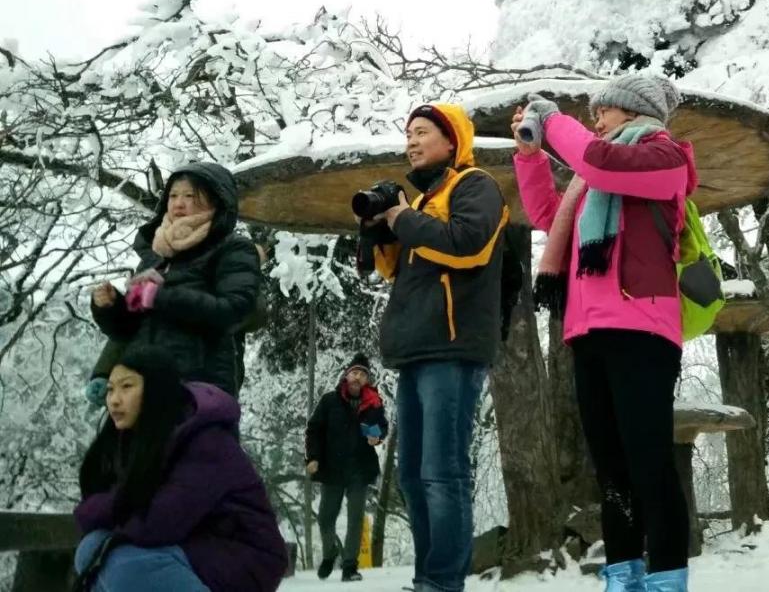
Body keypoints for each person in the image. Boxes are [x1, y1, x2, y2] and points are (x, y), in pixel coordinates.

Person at [512, 74, 695, 592]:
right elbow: (551, 218)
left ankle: (665, 578)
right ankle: (623, 574)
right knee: (611, 469)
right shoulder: (592, 178)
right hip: (586, 331)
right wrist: (530, 155)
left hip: (643, 326)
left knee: (648, 459)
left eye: (604, 110)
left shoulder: (665, 157)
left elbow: (597, 159)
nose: (596, 120)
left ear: (634, 111)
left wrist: (553, 120)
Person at [357, 103, 508, 592]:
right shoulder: (422, 204)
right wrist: (380, 229)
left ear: (452, 141)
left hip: (454, 346)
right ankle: (428, 578)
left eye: (422, 132)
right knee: (413, 477)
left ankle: (443, 583)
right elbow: (394, 270)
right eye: (407, 134)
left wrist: (402, 217)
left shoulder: (476, 185)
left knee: (443, 472)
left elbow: (469, 246)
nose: (411, 141)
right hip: (416, 348)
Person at [73, 345, 287, 592]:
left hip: (246, 555)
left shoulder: (205, 441)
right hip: (194, 542)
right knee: (91, 548)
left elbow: (160, 522)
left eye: (127, 386)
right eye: (110, 389)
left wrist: (97, 509)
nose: (114, 399)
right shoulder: (139, 439)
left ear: (156, 390)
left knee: (126, 563)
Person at [89, 163, 262, 398]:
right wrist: (110, 307)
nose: (178, 203)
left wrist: (159, 296)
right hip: (142, 391)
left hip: (197, 388)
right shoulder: (157, 254)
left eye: (190, 195)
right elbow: (128, 330)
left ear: (216, 200)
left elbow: (234, 311)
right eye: (173, 195)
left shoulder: (232, 248)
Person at [305, 353, 389, 582]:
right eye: (354, 372)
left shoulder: (373, 403)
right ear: (346, 375)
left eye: (362, 374)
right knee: (325, 518)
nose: (358, 377)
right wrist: (312, 457)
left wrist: (378, 437)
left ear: (367, 380)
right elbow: (314, 429)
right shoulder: (330, 401)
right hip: (332, 467)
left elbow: (382, 427)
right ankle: (330, 551)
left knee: (355, 518)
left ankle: (350, 566)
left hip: (359, 470)